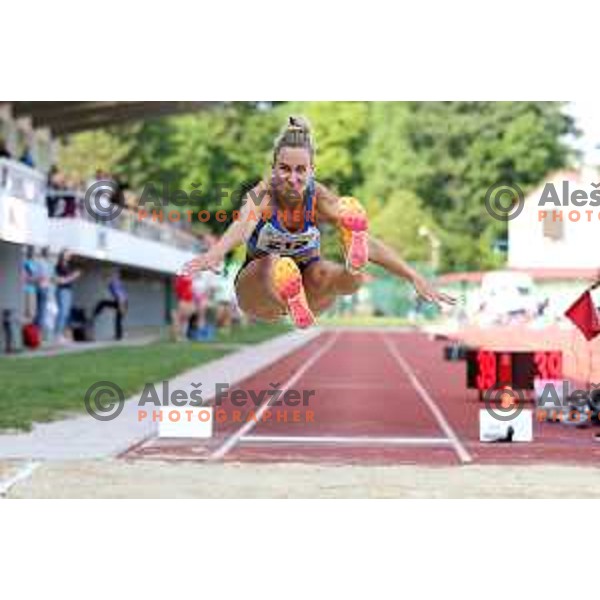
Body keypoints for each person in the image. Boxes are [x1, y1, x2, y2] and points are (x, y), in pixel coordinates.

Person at [184, 116, 454, 328]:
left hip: (309, 288)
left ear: (312, 171)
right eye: (285, 169)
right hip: (260, 290)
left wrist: (413, 276)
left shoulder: (320, 198)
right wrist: (216, 253)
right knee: (271, 265)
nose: (292, 178)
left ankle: (351, 262)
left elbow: (371, 243)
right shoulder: (262, 195)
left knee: (347, 278)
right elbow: (242, 225)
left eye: (301, 170)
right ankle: (289, 286)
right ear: (273, 168)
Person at [54, 250, 81, 344]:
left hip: (68, 291)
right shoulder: (59, 266)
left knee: (66, 314)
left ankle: (64, 335)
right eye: (67, 254)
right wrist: (73, 276)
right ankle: (57, 335)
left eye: (70, 254)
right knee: (62, 313)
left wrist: (72, 276)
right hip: (62, 291)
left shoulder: (68, 266)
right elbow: (60, 281)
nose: (70, 255)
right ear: (63, 255)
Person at [93, 269, 128, 340]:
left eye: (106, 279)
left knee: (118, 318)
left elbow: (121, 297)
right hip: (120, 301)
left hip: (122, 302)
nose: (104, 282)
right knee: (103, 303)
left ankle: (119, 336)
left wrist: (122, 308)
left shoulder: (114, 284)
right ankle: (119, 335)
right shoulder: (113, 283)